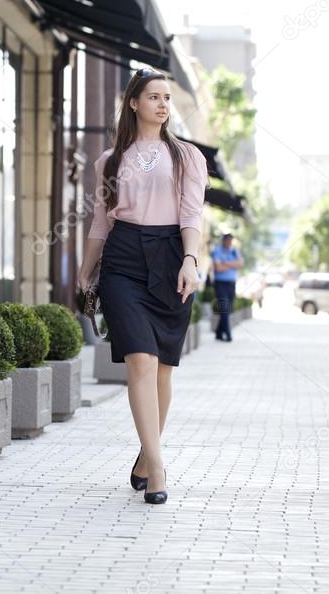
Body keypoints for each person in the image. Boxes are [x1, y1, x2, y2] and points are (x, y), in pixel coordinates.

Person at [77, 68, 207, 506]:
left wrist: (190, 260)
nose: (163, 104)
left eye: (167, 98)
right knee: (140, 362)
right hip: (124, 258)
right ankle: (159, 469)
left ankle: (144, 457)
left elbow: (191, 216)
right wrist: (86, 269)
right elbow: (101, 222)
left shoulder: (188, 157)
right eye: (154, 97)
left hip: (171, 256)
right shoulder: (109, 161)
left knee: (163, 368)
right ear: (134, 103)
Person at [211, 233, 243, 341]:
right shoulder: (217, 251)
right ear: (223, 241)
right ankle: (228, 334)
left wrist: (226, 263)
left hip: (231, 284)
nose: (229, 243)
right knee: (224, 308)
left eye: (231, 241)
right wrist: (233, 264)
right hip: (220, 283)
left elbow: (240, 264)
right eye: (228, 241)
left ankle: (219, 333)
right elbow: (218, 268)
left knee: (228, 309)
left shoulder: (234, 251)